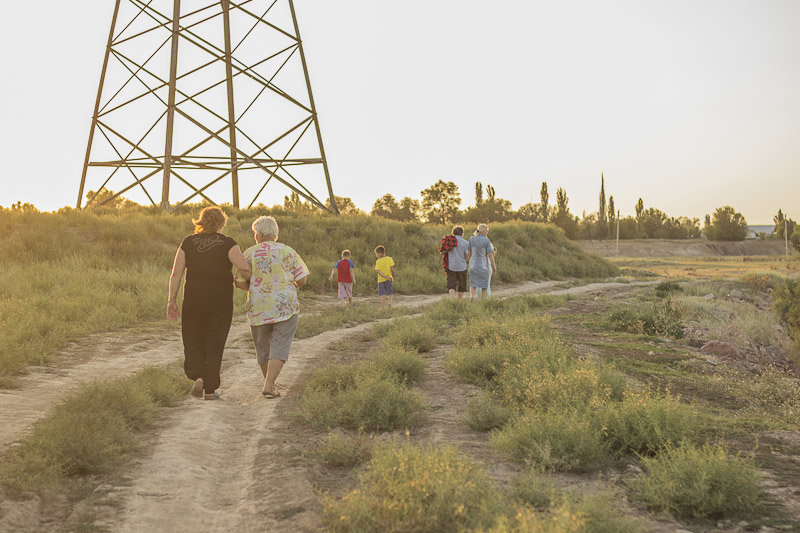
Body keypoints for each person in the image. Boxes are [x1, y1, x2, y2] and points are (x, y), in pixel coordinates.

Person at [167, 206, 251, 400]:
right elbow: (244, 269)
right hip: (220, 301)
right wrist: (249, 280)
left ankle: (198, 376)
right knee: (215, 341)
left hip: (194, 300)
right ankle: (210, 390)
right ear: (222, 223)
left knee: (193, 337)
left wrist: (171, 300)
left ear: (201, 222)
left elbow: (176, 273)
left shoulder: (188, 242)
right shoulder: (228, 243)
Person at [235, 216, 309, 398]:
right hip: (285, 306)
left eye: (254, 233)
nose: (254, 236)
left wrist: (253, 288)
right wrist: (288, 286)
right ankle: (269, 384)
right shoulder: (288, 251)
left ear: (259, 234)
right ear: (274, 233)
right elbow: (302, 279)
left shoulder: (249, 253)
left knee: (263, 347)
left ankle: (269, 383)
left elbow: (239, 282)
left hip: (258, 307)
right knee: (280, 343)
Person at [439, 225, 470, 299]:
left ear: (453, 233)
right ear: (462, 233)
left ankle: (452, 300)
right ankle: (459, 301)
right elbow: (467, 255)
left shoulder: (449, 241)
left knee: (451, 285)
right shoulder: (466, 243)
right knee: (462, 285)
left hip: (451, 266)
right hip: (462, 267)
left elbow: (442, 252)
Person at [468, 224, 497, 301]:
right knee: (484, 286)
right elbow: (490, 255)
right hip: (483, 266)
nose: (487, 233)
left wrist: (470, 261)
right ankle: (484, 302)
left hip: (472, 265)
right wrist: (494, 266)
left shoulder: (471, 239)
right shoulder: (486, 240)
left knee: (473, 284)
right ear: (484, 231)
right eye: (487, 231)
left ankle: (472, 297)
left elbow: (468, 253)